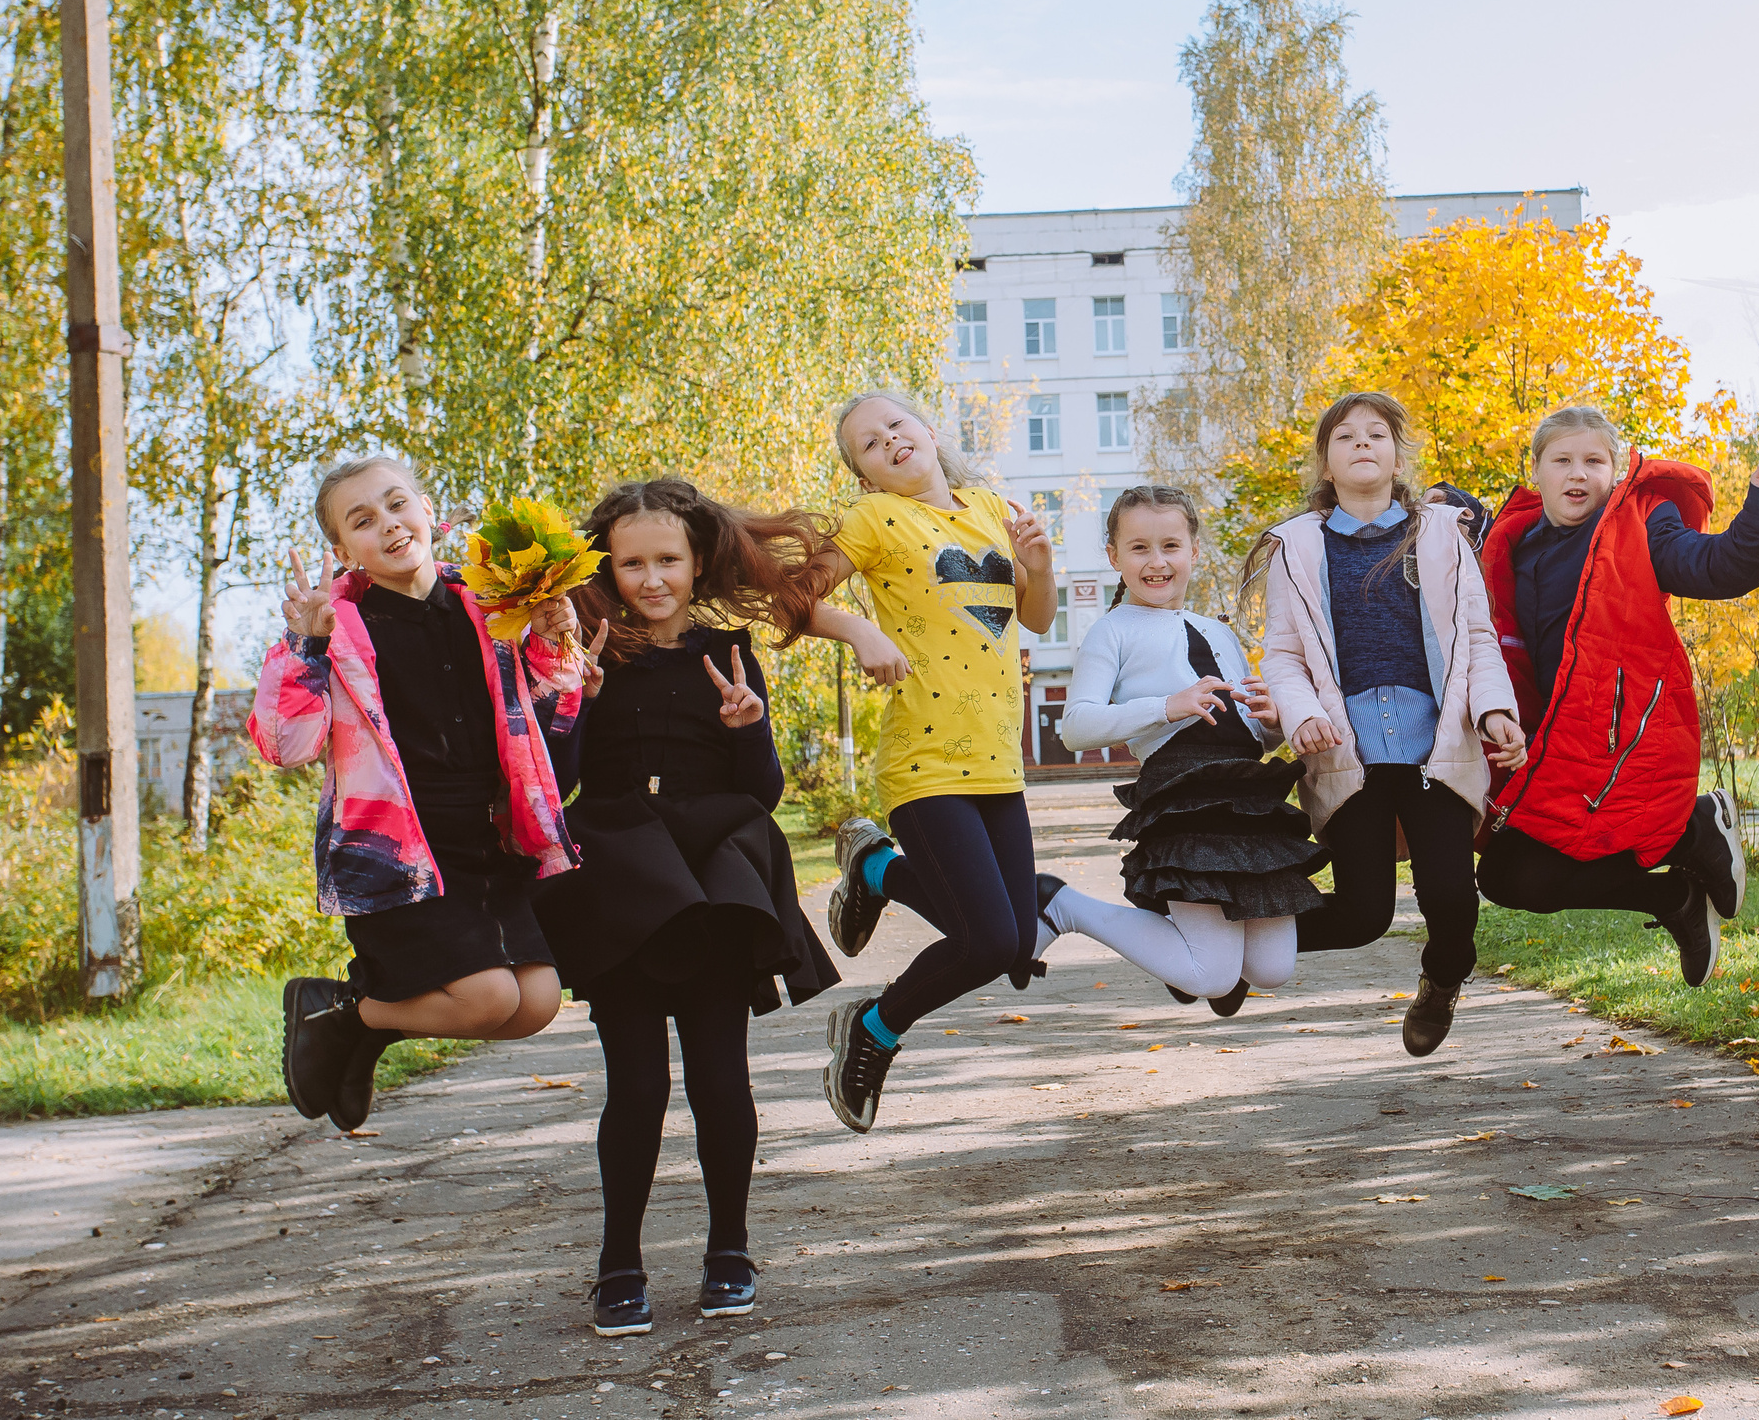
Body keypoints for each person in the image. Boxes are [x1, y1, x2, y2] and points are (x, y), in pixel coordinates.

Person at [539, 479, 853, 1336]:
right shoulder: (584, 654)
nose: (650, 577)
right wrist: (578, 703)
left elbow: (761, 791)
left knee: (721, 1078)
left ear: (696, 561)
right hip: (622, 887)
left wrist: (747, 723)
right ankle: (618, 1265)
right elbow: (556, 780)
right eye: (631, 561)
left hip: (714, 888)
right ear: (606, 566)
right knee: (636, 1085)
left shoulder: (730, 650)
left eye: (667, 560)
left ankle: (728, 1250)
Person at [250, 457, 583, 1136]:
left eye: (397, 504)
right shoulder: (331, 627)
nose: (389, 525)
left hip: (490, 842)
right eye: (363, 521)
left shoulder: (488, 604)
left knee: (538, 1002)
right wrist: (305, 646)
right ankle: (341, 1010)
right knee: (489, 997)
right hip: (401, 856)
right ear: (344, 552)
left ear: (430, 510)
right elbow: (285, 745)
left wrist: (552, 635)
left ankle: (360, 1025)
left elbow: (551, 697)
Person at [1470, 406, 1759, 985]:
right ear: (1537, 470)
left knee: (1556, 858)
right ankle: (1673, 897)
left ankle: (1694, 828)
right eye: (1563, 460)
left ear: (1616, 470)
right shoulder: (1513, 544)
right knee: (1505, 877)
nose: (1579, 474)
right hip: (1551, 749)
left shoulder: (1642, 521)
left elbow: (1711, 567)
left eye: (1594, 461)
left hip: (1623, 740)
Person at [1245, 392, 1526, 1058]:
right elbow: (1283, 654)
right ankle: (1238, 949)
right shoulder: (1296, 545)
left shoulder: (1442, 535)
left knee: (1454, 899)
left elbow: (1478, 638)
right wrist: (1304, 712)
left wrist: (1494, 710)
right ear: (1326, 461)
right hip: (1348, 750)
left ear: (1399, 456)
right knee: (1363, 913)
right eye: (1346, 436)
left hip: (1437, 746)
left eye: (1377, 434)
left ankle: (1442, 981)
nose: (1363, 443)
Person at [811, 391, 1059, 1133]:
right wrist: (859, 631)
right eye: (867, 444)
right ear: (863, 476)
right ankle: (875, 1028)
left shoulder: (990, 507)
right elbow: (795, 597)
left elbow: (1037, 617)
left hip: (996, 762)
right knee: (988, 941)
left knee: (1012, 947)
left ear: (929, 431)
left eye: (896, 425)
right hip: (924, 760)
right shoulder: (872, 521)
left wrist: (1038, 563)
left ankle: (876, 871)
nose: (888, 441)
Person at [1038, 486, 1319, 1011]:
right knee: (1211, 977)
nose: (1157, 562)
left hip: (1246, 796)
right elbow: (1075, 727)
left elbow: (1250, 734)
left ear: (1193, 551)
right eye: (1139, 548)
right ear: (1114, 557)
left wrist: (1273, 723)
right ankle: (1062, 905)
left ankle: (1187, 955)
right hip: (1182, 794)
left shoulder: (1218, 631)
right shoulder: (1111, 631)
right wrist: (1166, 705)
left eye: (1170, 545)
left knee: (1273, 969)